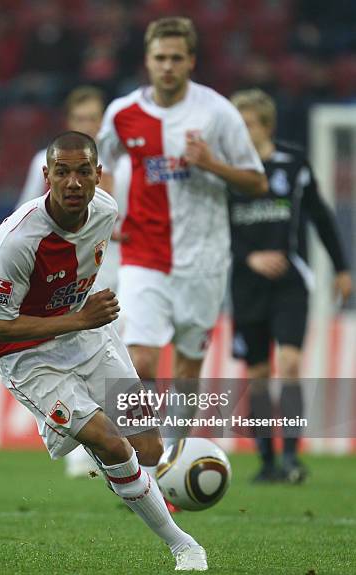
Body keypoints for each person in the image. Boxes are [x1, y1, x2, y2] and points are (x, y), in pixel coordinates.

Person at [0, 131, 208, 571]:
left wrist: (81, 319)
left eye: (83, 171)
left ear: (98, 175)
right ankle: (184, 546)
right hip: (30, 357)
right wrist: (79, 318)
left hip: (90, 338)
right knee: (109, 441)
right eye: (62, 172)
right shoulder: (15, 240)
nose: (72, 182)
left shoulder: (106, 210)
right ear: (46, 176)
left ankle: (97, 452)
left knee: (148, 448)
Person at [97, 17, 267, 462]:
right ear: (147, 61)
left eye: (176, 58)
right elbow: (104, 161)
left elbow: (255, 181)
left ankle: (171, 461)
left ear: (191, 61)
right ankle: (139, 462)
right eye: (160, 58)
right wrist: (109, 202)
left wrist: (212, 164)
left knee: (188, 368)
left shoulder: (217, 113)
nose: (167, 67)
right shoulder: (123, 113)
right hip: (143, 253)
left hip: (204, 259)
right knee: (140, 364)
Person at [228, 88, 353, 483]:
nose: (240, 131)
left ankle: (292, 457)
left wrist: (341, 267)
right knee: (259, 373)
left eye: (246, 124)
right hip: (246, 284)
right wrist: (250, 257)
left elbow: (320, 214)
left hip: (289, 282)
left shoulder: (293, 163)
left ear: (266, 125)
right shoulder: (227, 172)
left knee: (292, 364)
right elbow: (215, 226)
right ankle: (266, 461)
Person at [16, 86, 130, 477]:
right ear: (70, 123)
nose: (88, 126)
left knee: (116, 351)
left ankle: (120, 442)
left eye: (94, 119)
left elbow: (128, 216)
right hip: (64, 276)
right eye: (80, 119)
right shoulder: (44, 164)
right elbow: (26, 213)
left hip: (114, 267)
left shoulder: (123, 165)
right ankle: (85, 449)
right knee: (71, 348)